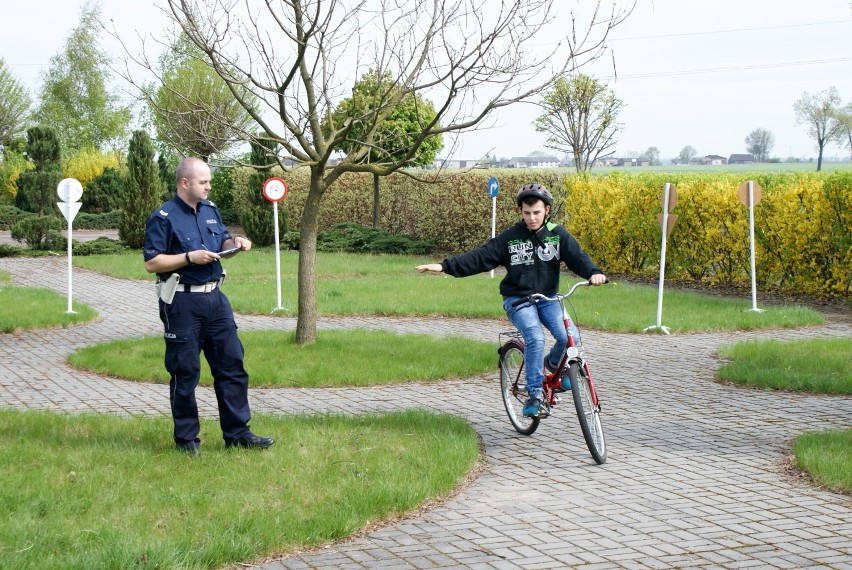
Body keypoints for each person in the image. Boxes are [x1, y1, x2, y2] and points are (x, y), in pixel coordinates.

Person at [416, 183, 606, 419]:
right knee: (535, 337)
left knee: (571, 338)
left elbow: (578, 258)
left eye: (536, 212)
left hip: (547, 298)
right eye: (526, 213)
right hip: (518, 300)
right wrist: (445, 266)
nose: (532, 218)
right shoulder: (511, 237)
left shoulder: (558, 234)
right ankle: (534, 395)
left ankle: (554, 364)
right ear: (521, 212)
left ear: (547, 210)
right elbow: (480, 257)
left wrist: (593, 273)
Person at [143, 157, 274, 455]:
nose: (208, 186)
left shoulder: (210, 211)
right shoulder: (163, 217)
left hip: (216, 299)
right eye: (203, 182)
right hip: (182, 301)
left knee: (232, 367)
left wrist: (236, 242)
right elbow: (152, 262)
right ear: (184, 183)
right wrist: (190, 257)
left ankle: (238, 433)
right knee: (185, 371)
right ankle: (187, 440)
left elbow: (222, 242)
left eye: (209, 181)